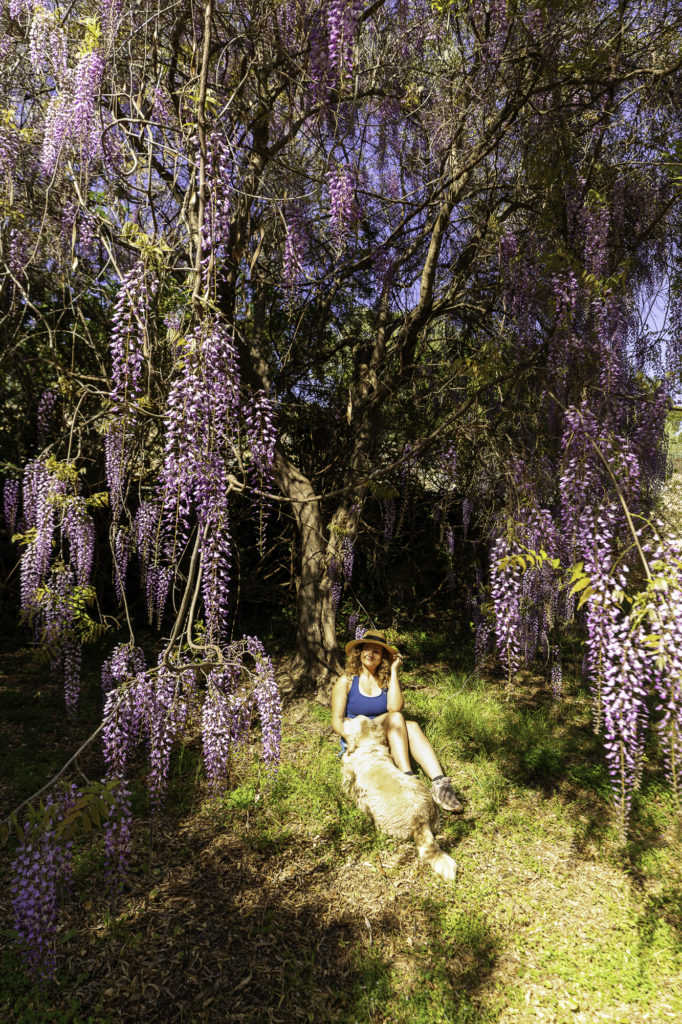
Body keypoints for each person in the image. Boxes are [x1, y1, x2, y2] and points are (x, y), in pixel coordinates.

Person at [331, 629, 463, 812]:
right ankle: (407, 777)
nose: (370, 654)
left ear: (382, 656)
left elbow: (395, 708)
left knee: (413, 727)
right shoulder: (346, 681)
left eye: (376, 651)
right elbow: (337, 721)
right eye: (367, 649)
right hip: (359, 735)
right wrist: (353, 737)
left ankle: (440, 784)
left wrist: (394, 672)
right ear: (359, 652)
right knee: (397, 718)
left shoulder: (385, 681)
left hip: (385, 732)